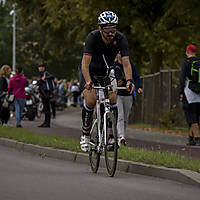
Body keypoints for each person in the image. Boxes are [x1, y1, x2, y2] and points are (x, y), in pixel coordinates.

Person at [80, 11, 134, 152]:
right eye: (107, 31)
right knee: (91, 100)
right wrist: (88, 81)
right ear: (100, 28)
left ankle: (110, 135)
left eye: (113, 30)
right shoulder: (92, 38)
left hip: (106, 72)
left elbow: (127, 63)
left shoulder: (121, 39)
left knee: (113, 97)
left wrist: (129, 80)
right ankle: (85, 135)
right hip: (90, 71)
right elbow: (85, 64)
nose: (111, 34)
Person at [114, 53, 143, 146]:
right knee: (120, 116)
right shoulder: (114, 65)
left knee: (125, 118)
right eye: (119, 53)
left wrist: (138, 86)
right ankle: (121, 137)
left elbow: (136, 76)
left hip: (128, 94)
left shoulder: (129, 64)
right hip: (117, 94)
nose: (121, 55)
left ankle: (122, 136)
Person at [179, 44, 200, 145]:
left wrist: (180, 92)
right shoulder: (199, 62)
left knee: (190, 115)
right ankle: (191, 138)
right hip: (198, 92)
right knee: (196, 114)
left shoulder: (186, 62)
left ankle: (197, 137)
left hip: (189, 92)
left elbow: (182, 77)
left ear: (187, 52)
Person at [37, 61, 54, 128]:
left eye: (40, 67)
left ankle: (47, 123)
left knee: (47, 108)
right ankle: (45, 122)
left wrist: (44, 78)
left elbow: (52, 76)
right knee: (46, 108)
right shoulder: (42, 73)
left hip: (46, 93)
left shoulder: (46, 73)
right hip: (43, 93)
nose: (39, 68)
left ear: (43, 68)